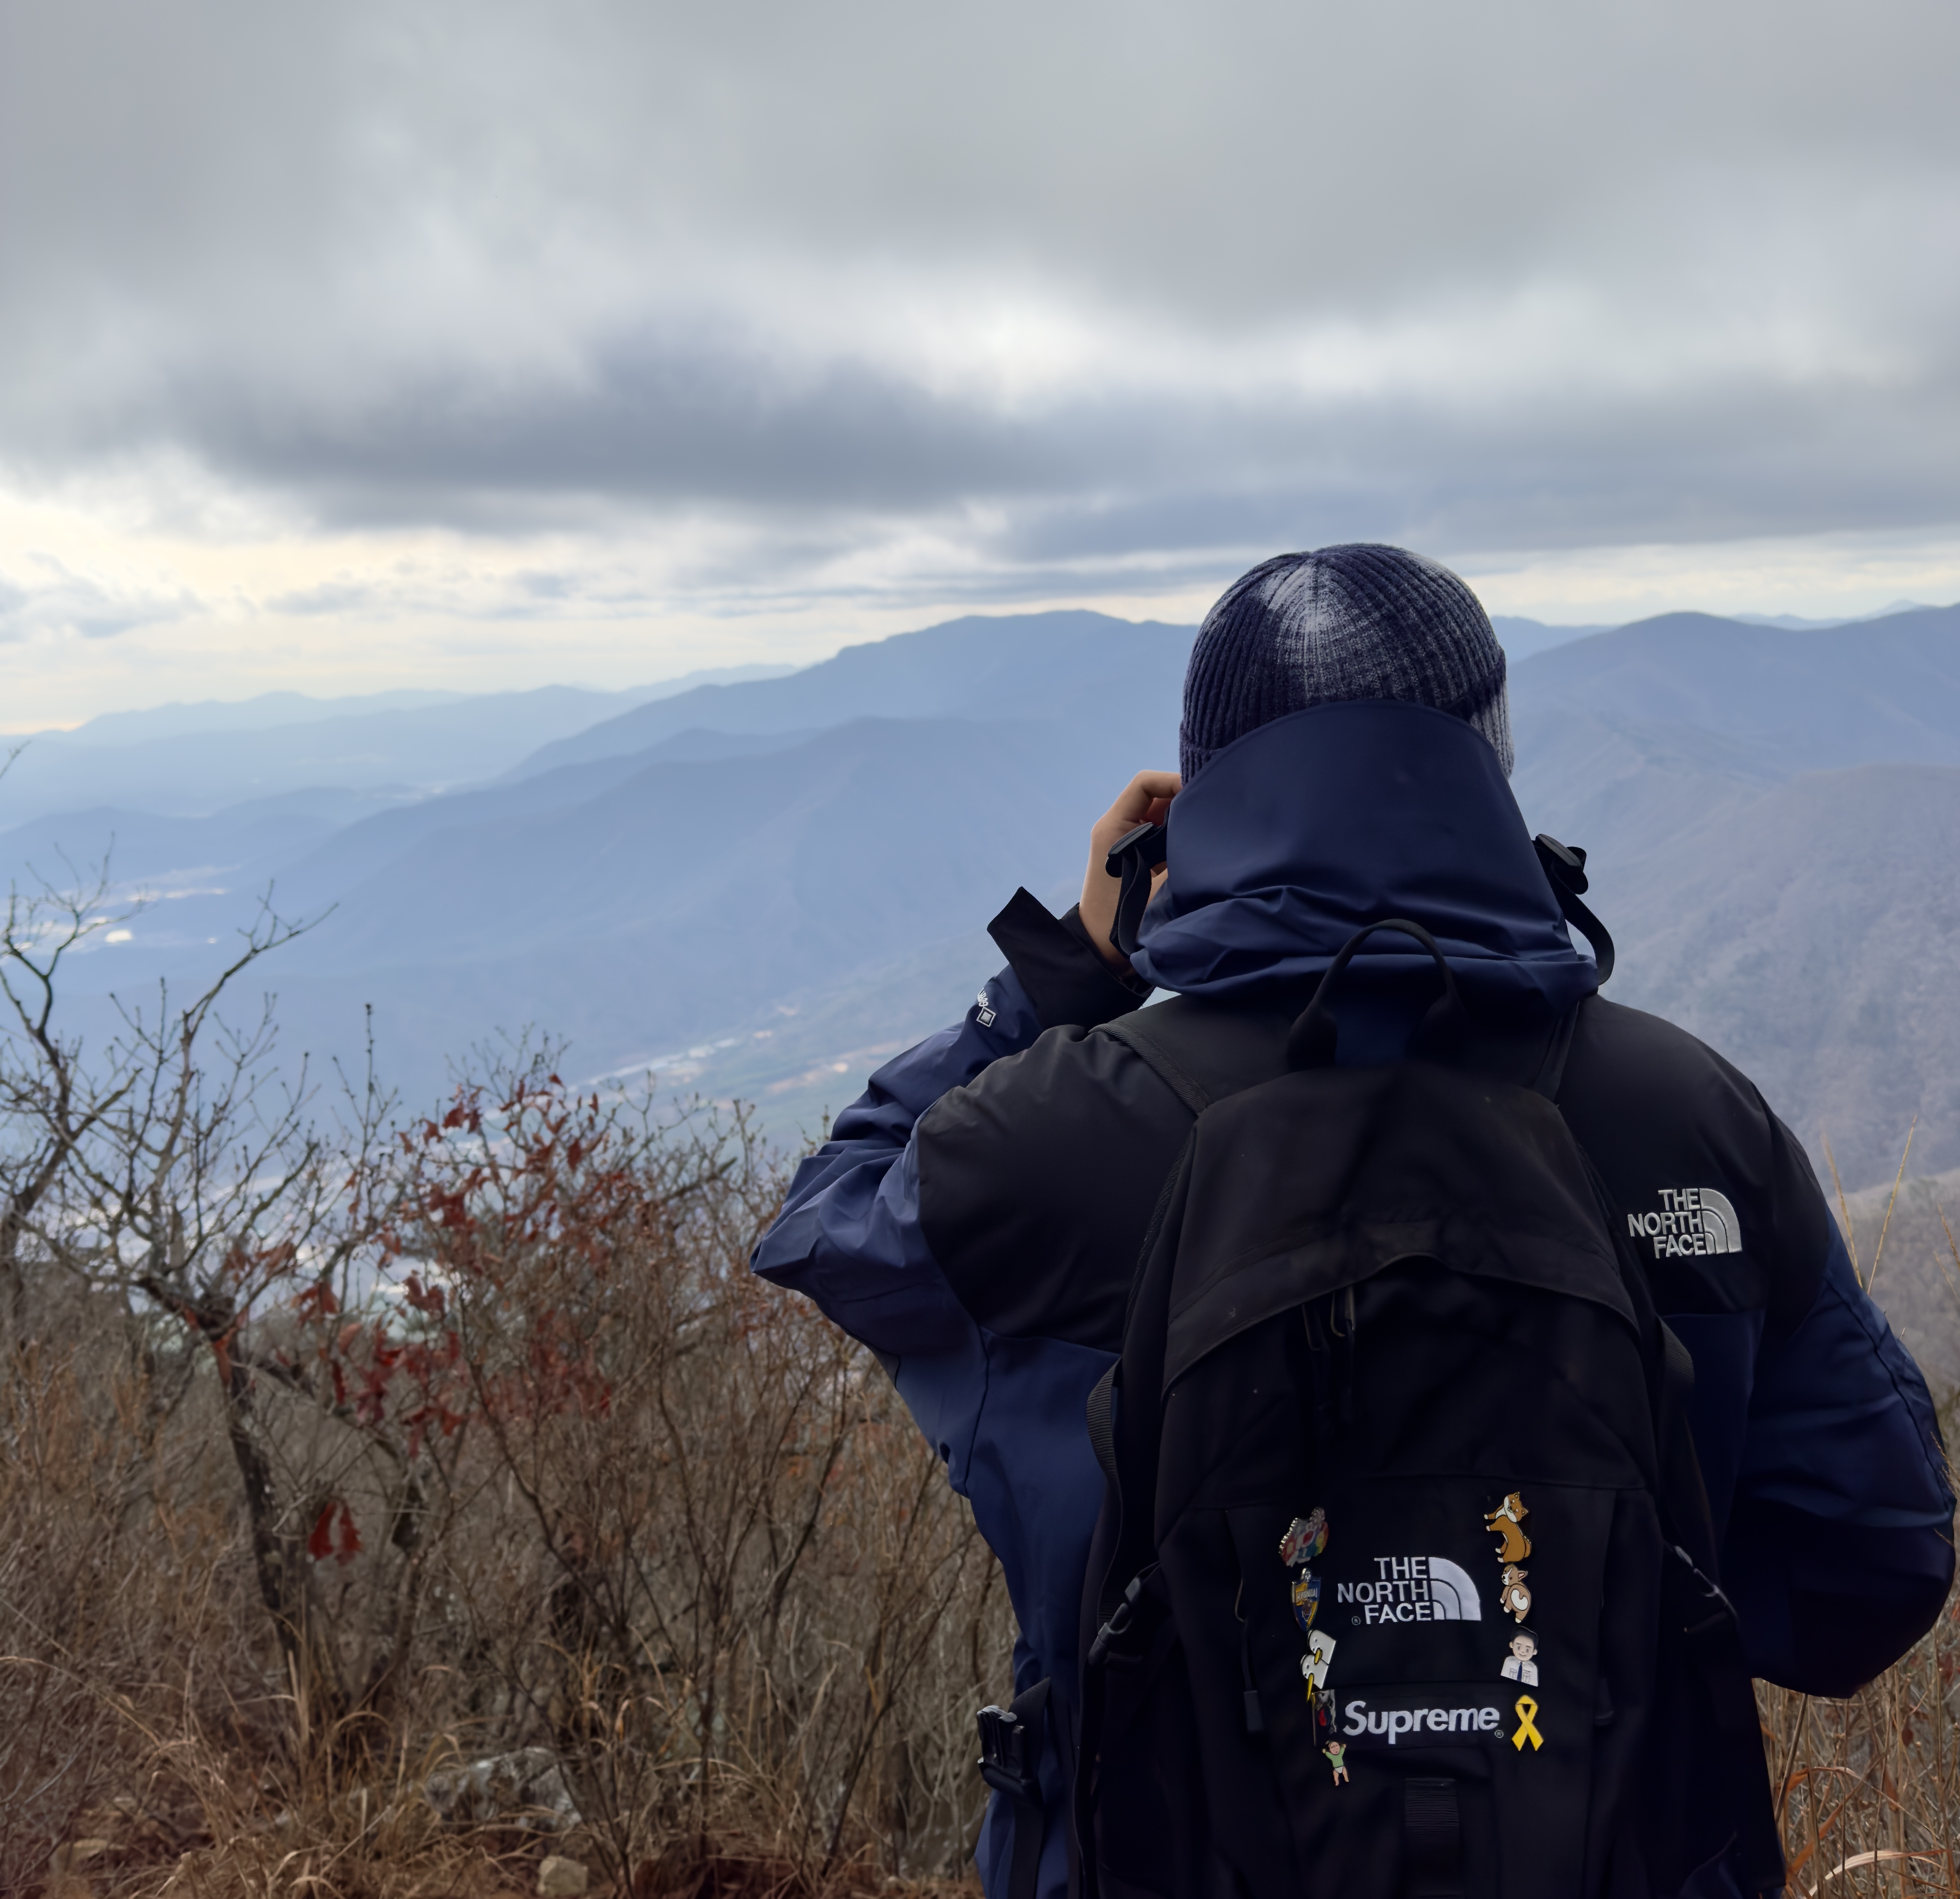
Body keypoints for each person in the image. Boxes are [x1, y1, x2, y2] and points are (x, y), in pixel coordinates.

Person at [752, 545, 1954, 1899]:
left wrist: (1060, 979)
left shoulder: (1044, 1147)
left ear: (1190, 813)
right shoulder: (1688, 1121)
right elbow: (1875, 1565)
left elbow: (823, 1222)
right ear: (1487, 768)